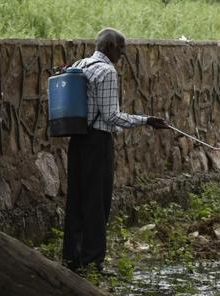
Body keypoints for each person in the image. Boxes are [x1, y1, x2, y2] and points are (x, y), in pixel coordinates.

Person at [62, 28, 168, 273]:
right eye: (121, 48)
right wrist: (146, 120)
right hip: (98, 142)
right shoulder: (107, 71)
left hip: (77, 140)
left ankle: (71, 259)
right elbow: (111, 116)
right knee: (98, 202)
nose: (123, 53)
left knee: (76, 200)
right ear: (109, 46)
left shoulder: (80, 64)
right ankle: (93, 261)